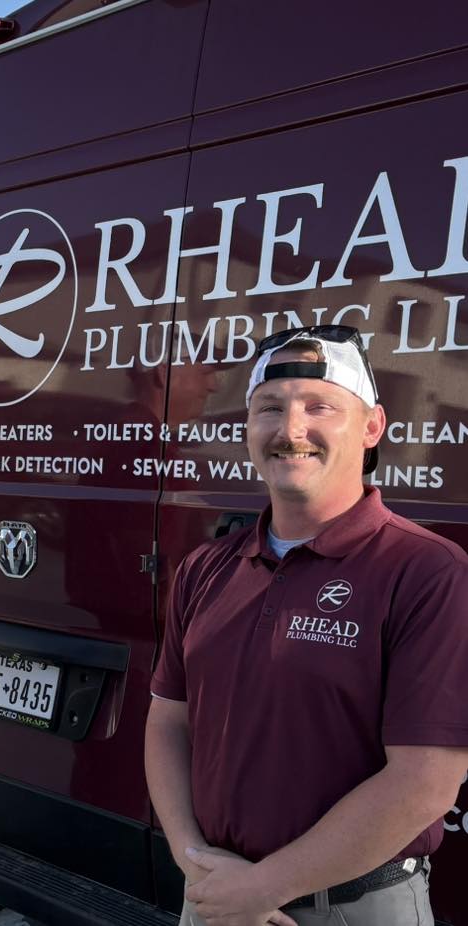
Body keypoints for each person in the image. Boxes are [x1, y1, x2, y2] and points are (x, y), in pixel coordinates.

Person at [144, 325, 468, 926]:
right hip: (214, 897)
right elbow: (168, 722)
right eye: (270, 407)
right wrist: (197, 865)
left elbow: (426, 781)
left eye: (319, 407)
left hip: (352, 907)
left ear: (372, 426)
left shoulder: (426, 571)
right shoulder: (207, 567)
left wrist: (265, 886)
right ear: (247, 428)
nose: (291, 430)